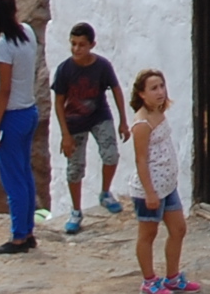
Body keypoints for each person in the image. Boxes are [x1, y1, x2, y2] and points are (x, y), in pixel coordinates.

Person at [52, 22, 129, 235]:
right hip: (74, 121)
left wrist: (123, 121)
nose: (77, 49)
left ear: (92, 45)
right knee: (75, 168)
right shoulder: (65, 69)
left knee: (111, 155)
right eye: (73, 44)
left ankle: (105, 192)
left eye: (81, 44)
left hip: (99, 116)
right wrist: (65, 134)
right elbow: (59, 102)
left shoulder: (102, 66)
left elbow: (116, 90)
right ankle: (76, 211)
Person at [129, 69, 196, 293]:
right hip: (151, 190)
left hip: (167, 186)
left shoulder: (159, 111)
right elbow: (141, 159)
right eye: (153, 88)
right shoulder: (142, 124)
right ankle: (149, 281)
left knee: (178, 229)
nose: (160, 92)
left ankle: (172, 277)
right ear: (142, 94)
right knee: (148, 234)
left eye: (161, 86)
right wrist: (149, 192)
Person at [0, 0, 40, 255]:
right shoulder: (27, 32)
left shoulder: (5, 45)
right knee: (24, 174)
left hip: (12, 115)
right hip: (29, 110)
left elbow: (4, 89)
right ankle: (27, 231)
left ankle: (18, 236)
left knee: (13, 179)